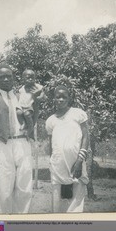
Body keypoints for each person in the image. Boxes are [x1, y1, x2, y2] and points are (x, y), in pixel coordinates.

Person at [0, 64, 33, 213]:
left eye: (9, 76)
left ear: (13, 79)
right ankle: (1, 224)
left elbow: (32, 116)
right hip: (3, 145)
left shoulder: (22, 97)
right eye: (2, 77)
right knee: (3, 189)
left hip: (23, 143)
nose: (5, 79)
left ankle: (22, 223)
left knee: (25, 187)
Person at [45, 85, 89, 213]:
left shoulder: (78, 113)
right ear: (53, 99)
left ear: (69, 98)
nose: (61, 100)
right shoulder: (50, 121)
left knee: (76, 203)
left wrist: (80, 161)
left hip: (76, 164)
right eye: (58, 97)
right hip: (58, 167)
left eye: (64, 97)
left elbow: (86, 137)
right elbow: (52, 146)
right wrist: (52, 164)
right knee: (58, 205)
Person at [17, 69, 46, 139]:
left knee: (27, 114)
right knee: (18, 113)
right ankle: (23, 123)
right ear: (23, 79)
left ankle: (30, 128)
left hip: (31, 106)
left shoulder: (37, 87)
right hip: (22, 106)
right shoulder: (21, 89)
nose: (30, 79)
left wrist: (39, 96)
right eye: (28, 78)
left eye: (32, 77)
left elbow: (43, 94)